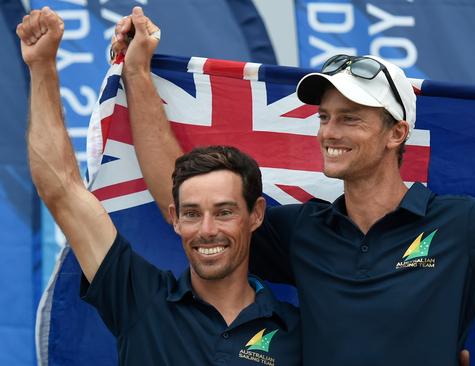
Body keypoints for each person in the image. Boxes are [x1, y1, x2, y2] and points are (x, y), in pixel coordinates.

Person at [112, 7, 475, 365]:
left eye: (351, 119)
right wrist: (136, 73)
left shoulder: (461, 224)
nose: (329, 133)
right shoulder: (301, 230)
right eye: (325, 117)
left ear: (396, 133)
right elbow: (184, 188)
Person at [18, 7, 301, 365]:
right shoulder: (139, 298)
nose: (207, 230)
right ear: (175, 218)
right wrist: (42, 67)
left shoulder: (297, 331)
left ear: (256, 214)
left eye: (225, 211)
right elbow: (62, 190)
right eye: (192, 213)